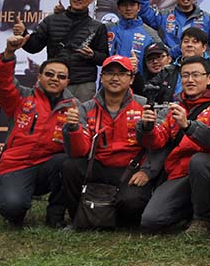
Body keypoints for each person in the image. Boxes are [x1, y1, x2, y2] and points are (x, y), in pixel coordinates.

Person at [60, 56, 162, 227]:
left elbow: (157, 145)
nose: (115, 78)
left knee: (132, 204)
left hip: (131, 169)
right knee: (70, 166)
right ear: (101, 77)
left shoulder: (145, 106)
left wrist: (146, 171)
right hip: (98, 166)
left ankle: (103, 215)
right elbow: (79, 151)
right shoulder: (86, 107)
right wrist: (73, 128)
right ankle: (77, 217)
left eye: (121, 73)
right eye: (109, 73)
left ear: (131, 79)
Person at [0, 35, 77, 227]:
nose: (54, 79)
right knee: (12, 209)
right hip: (17, 165)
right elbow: (3, 84)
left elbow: (81, 146)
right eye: (49, 74)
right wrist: (9, 53)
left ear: (67, 82)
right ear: (39, 76)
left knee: (69, 163)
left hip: (49, 167)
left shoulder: (74, 107)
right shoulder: (22, 97)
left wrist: (75, 129)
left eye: (61, 77)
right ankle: (17, 197)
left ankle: (55, 216)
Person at [138, 56, 210, 233]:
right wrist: (147, 127)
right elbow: (157, 141)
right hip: (180, 171)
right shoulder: (176, 105)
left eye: (196, 75)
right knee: (151, 220)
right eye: (185, 75)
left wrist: (188, 126)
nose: (190, 80)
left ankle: (202, 219)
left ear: (209, 78)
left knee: (199, 161)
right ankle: (189, 207)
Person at [13, 0, 108, 102]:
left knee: (80, 115)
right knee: (47, 114)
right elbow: (34, 47)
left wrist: (93, 55)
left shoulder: (98, 27)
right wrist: (23, 33)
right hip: (54, 81)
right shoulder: (51, 20)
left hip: (82, 85)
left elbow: (104, 59)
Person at [106, 0, 160, 72]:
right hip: (110, 77)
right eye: (124, 5)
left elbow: (161, 59)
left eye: (132, 5)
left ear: (139, 8)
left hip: (137, 78)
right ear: (118, 8)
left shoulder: (150, 33)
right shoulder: (107, 29)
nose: (128, 8)